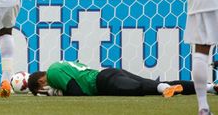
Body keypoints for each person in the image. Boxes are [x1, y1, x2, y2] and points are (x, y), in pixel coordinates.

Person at [28, 61, 218, 98]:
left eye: (40, 91)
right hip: (108, 74)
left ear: (41, 83)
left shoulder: (52, 72)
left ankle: (163, 89)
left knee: (139, 89)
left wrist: (57, 93)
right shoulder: (61, 64)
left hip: (103, 82)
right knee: (152, 84)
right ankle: (210, 87)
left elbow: (77, 92)